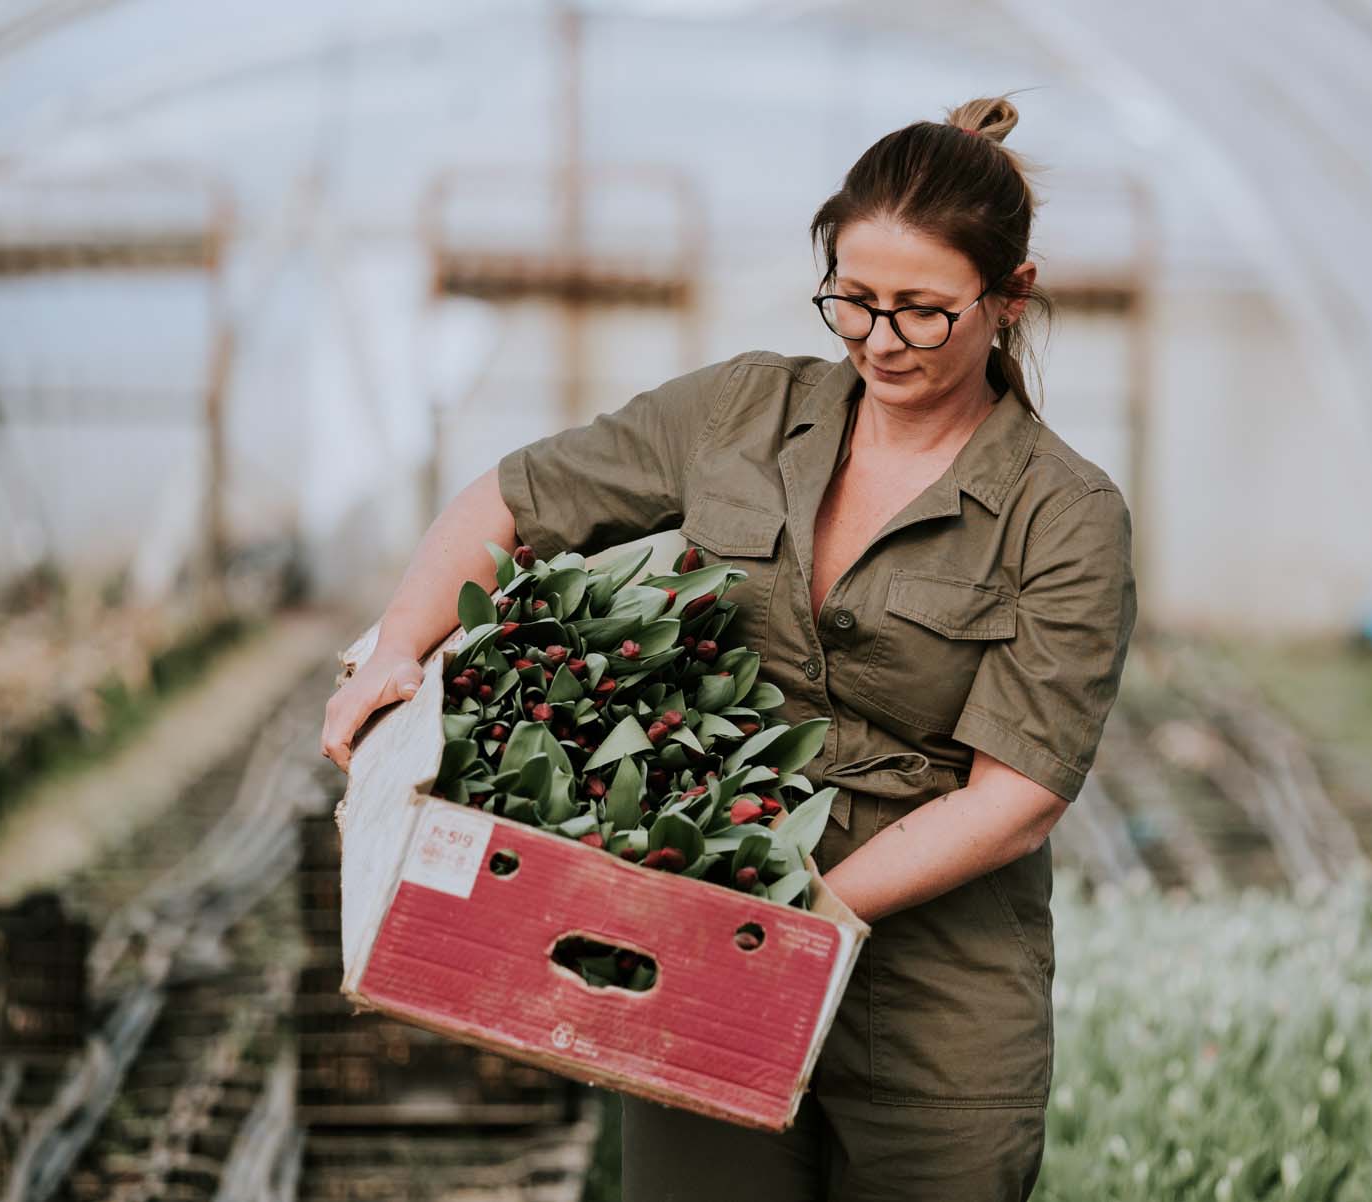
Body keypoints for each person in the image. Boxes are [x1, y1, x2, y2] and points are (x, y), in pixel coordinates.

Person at [320, 93, 1138, 1201]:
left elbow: (1017, 797)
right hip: (700, 944)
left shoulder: (1065, 514)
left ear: (1011, 296)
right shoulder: (744, 412)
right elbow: (513, 500)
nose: (878, 340)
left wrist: (791, 913)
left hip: (933, 1007)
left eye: (922, 312)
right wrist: (398, 650)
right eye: (853, 300)